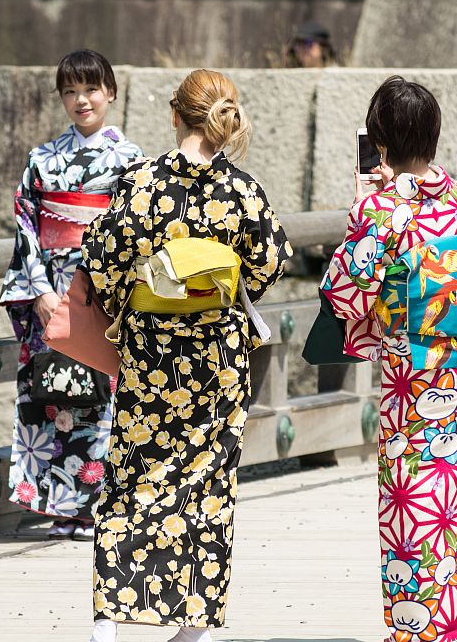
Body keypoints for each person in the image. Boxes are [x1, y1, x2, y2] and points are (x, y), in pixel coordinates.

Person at [81, 69, 292, 642]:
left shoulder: (139, 183)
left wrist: (144, 296)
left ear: (174, 114)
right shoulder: (243, 191)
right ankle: (193, 626)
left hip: (151, 356)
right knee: (206, 484)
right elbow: (270, 263)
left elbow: (101, 261)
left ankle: (110, 619)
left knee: (132, 479)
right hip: (217, 361)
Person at [322, 76, 457, 641]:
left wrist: (360, 211)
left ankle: (417, 627)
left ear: (378, 140)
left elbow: (346, 291)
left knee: (414, 496)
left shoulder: (378, 206)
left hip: (414, 375)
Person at [0, 49, 143, 541]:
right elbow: (25, 226)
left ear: (111, 93)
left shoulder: (130, 161)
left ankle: (97, 509)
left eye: (91, 89)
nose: (81, 100)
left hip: (100, 296)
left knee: (102, 400)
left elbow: (132, 231)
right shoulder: (42, 159)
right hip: (50, 292)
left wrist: (103, 291)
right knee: (51, 396)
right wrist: (39, 290)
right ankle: (58, 507)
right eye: (70, 91)